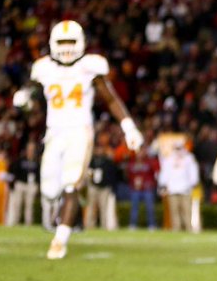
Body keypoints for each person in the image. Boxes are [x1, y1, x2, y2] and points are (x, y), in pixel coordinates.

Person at [12, 20, 144, 258]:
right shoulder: (43, 68)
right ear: (52, 44)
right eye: (62, 42)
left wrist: (129, 127)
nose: (66, 48)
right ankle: (69, 201)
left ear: (81, 43)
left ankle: (60, 239)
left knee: (71, 184)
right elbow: (32, 96)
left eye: (71, 42)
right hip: (54, 133)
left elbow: (111, 99)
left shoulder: (89, 67)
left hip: (79, 131)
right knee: (50, 191)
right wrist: (25, 100)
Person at [158, 139, 200, 232]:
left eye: (179, 148)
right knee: (174, 211)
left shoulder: (189, 158)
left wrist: (194, 182)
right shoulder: (169, 159)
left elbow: (193, 171)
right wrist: (163, 184)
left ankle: (189, 228)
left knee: (187, 210)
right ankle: (176, 229)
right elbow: (165, 173)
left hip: (185, 188)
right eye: (176, 148)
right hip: (172, 188)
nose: (178, 150)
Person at [86, 137, 121, 231]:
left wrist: (110, 186)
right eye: (97, 148)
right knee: (91, 207)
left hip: (104, 188)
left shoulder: (108, 161)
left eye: (100, 148)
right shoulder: (91, 160)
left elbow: (113, 175)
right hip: (93, 187)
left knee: (104, 208)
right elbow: (88, 172)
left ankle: (104, 226)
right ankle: (89, 226)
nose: (99, 150)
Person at [6, 140, 40, 227]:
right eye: (29, 149)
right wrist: (14, 184)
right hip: (20, 184)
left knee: (29, 206)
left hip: (31, 185)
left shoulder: (36, 162)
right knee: (17, 205)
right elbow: (13, 172)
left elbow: (38, 175)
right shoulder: (20, 160)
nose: (30, 151)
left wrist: (37, 185)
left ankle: (28, 225)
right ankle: (16, 223)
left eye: (32, 149)